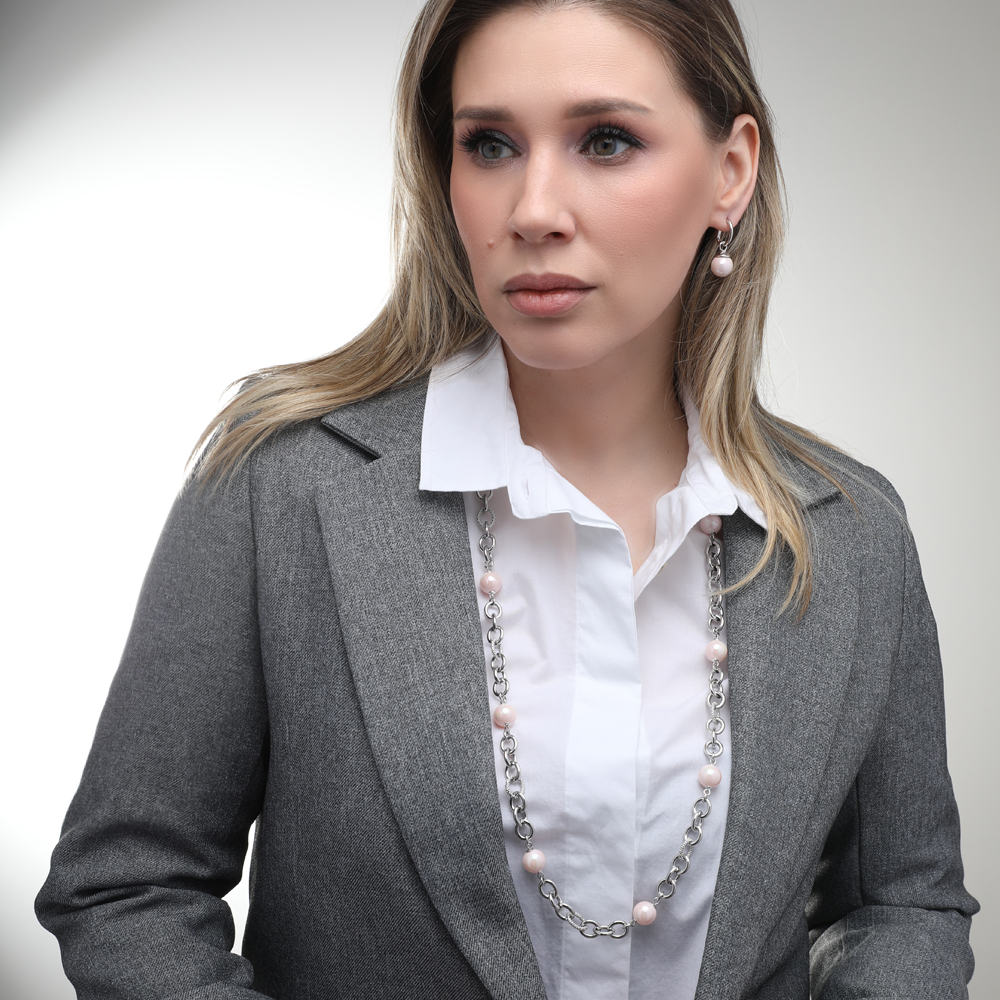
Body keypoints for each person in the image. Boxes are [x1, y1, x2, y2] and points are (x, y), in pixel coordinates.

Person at [35, 1, 978, 998]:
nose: (532, 209)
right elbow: (126, 887)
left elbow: (902, 905)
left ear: (730, 171)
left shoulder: (852, 533)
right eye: (489, 144)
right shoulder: (283, 488)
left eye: (605, 141)